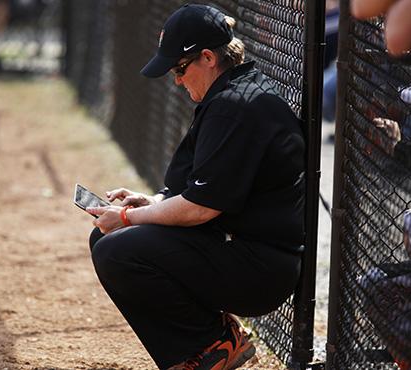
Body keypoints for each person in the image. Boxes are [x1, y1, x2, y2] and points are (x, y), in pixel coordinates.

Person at [87, 4, 306, 369]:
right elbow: (186, 191)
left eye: (180, 68)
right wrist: (148, 202)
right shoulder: (225, 96)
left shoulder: (234, 106)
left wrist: (129, 217)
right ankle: (204, 345)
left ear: (207, 57)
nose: (176, 80)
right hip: (236, 250)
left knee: (118, 249)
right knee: (105, 240)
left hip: (259, 268)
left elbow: (201, 208)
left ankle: (212, 346)